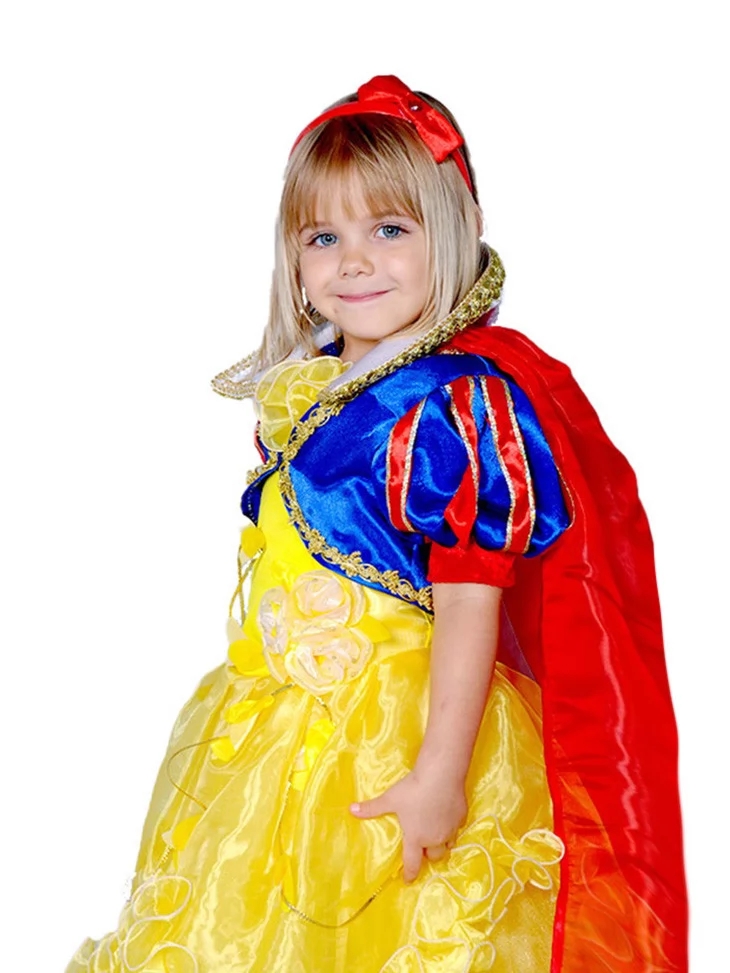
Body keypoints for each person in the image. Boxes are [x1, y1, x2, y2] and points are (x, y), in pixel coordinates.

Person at [66, 75, 688, 973]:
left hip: (403, 731)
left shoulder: (450, 405)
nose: (354, 262)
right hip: (275, 732)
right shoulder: (308, 390)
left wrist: (439, 774)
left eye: (390, 229)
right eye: (324, 237)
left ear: (457, 230)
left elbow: (469, 602)